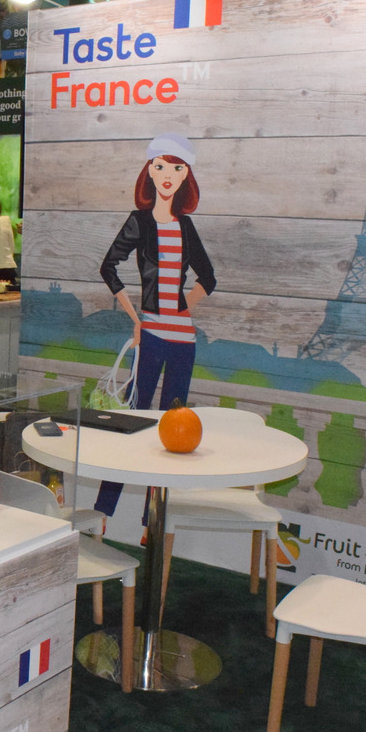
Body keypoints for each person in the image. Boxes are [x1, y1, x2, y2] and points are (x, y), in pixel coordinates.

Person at [94, 133, 216, 517]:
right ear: (149, 170)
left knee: (173, 433)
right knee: (131, 420)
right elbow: (108, 267)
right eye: (160, 166)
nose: (167, 175)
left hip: (183, 340)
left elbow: (208, 278)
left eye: (176, 168)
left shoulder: (186, 225)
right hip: (150, 334)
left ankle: (153, 521)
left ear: (185, 176)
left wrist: (181, 309)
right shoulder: (140, 221)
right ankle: (104, 513)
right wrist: (137, 320)